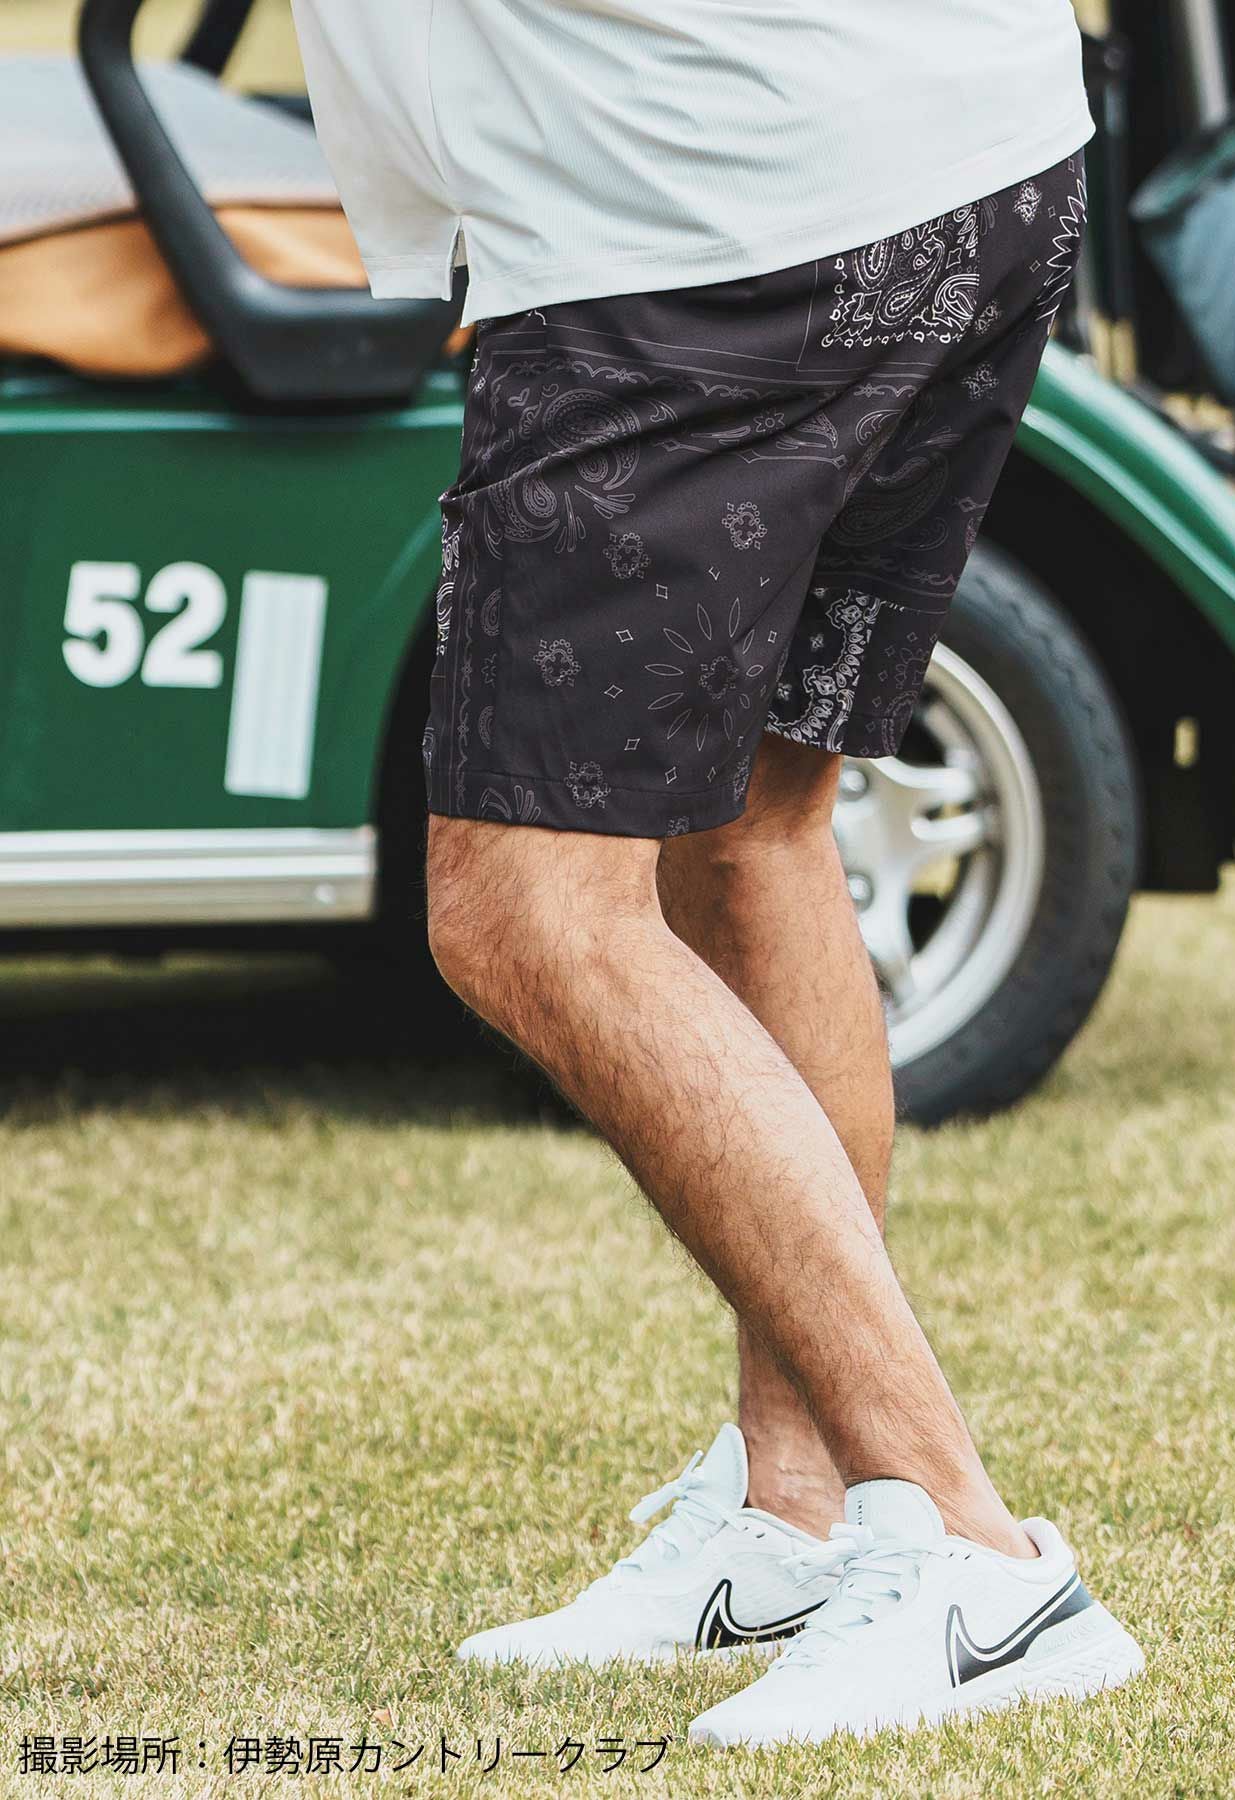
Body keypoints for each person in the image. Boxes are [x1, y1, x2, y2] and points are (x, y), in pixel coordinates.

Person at [291, 0, 1142, 1746]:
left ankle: (969, 1553)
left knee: (527, 911)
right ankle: (797, 1507)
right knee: (753, 827)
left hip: (700, 216)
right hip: (965, 154)